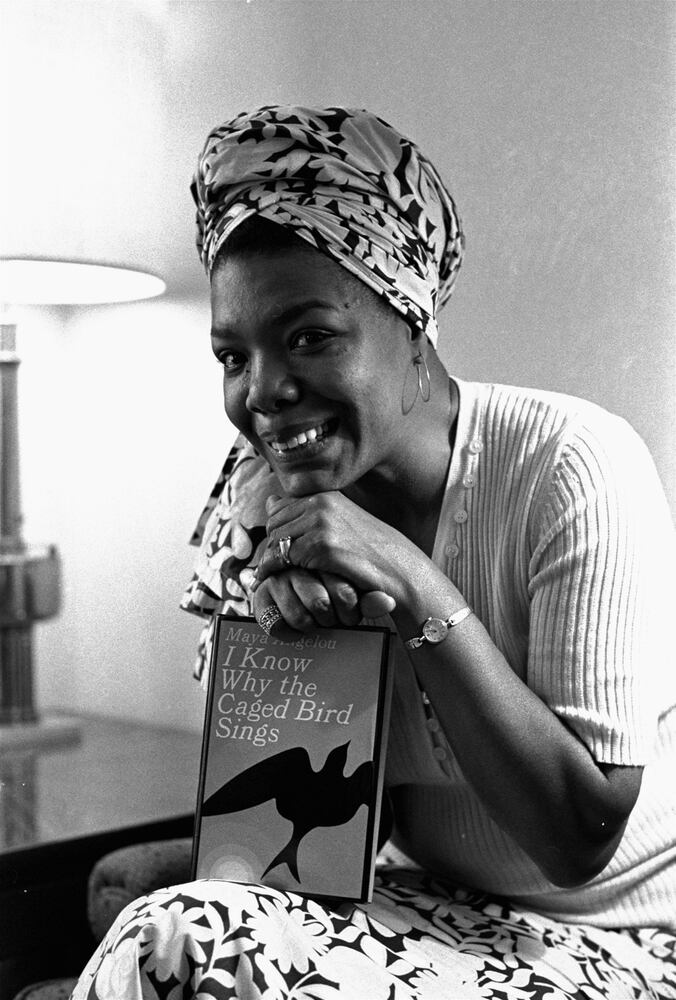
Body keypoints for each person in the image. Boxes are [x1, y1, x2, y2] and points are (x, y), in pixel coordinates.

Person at [72, 106, 676, 999]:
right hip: (423, 898)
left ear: (413, 322)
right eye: (233, 356)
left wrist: (410, 582)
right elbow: (300, 854)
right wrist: (306, 652)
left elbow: (577, 840)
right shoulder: (273, 503)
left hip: (618, 932)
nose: (263, 393)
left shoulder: (570, 465)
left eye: (310, 336)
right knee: (175, 932)